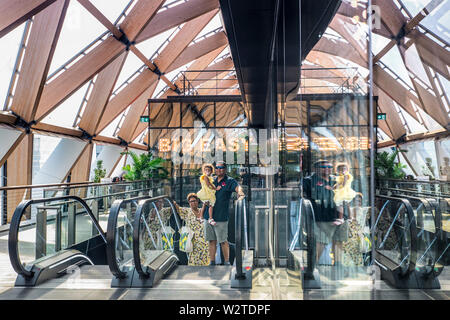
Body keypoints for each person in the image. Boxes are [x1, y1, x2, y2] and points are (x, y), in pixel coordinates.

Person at [303, 160, 348, 268]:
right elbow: (305, 198)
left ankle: (338, 264)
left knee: (339, 240)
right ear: (316, 168)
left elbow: (345, 194)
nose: (327, 169)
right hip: (322, 217)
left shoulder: (336, 179)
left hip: (340, 216)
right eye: (323, 167)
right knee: (321, 241)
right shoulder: (309, 181)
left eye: (329, 167)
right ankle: (313, 266)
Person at [205, 161, 245, 266]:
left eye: (221, 168)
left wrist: (240, 194)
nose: (219, 169)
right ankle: (212, 262)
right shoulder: (211, 180)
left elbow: (238, 188)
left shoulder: (229, 181)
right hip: (208, 215)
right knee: (211, 240)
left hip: (221, 216)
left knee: (223, 241)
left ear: (225, 169)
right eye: (217, 168)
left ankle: (227, 262)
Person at [173, 194, 210, 266]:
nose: (193, 203)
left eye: (194, 201)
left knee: (206, 258)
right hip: (193, 241)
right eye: (191, 201)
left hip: (204, 240)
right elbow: (178, 208)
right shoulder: (187, 212)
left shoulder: (202, 210)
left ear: (197, 201)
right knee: (194, 259)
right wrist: (174, 203)